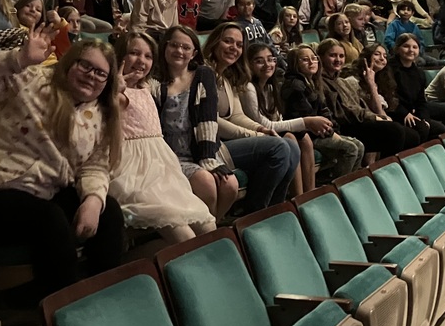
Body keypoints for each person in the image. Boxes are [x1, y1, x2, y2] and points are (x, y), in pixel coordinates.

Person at [0, 29, 124, 296]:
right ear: (70, 63)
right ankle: (68, 310)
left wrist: (93, 199)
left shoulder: (102, 114)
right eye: (85, 65)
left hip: (44, 195)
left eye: (100, 73)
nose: (91, 76)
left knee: (109, 211)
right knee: (50, 219)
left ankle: (106, 298)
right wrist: (17, 59)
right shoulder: (31, 78)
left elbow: (95, 166)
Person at [108, 33, 216, 243]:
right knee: (182, 234)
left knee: (208, 225)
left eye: (148, 56)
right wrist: (113, 89)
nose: (141, 60)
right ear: (119, 56)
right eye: (134, 53)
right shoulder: (110, 92)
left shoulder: (149, 88)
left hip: (162, 170)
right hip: (133, 174)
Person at [202, 23, 301, 212]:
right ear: (214, 43)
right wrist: (255, 136)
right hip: (214, 146)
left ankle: (275, 208)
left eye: (239, 45)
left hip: (227, 140)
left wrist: (260, 129)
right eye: (228, 41)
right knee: (278, 147)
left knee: (291, 147)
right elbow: (212, 121)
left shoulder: (226, 76)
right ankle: (257, 212)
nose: (234, 48)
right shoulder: (204, 73)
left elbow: (237, 115)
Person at [152, 26, 239, 219]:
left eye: (186, 47)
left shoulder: (203, 74)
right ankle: (209, 234)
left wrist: (207, 159)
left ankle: (211, 227)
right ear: (164, 47)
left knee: (231, 185)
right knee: (207, 184)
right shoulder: (155, 83)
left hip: (202, 151)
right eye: (174, 45)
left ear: (194, 53)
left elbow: (208, 118)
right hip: (172, 156)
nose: (179, 51)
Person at [245, 43, 327, 196]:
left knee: (305, 138)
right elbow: (263, 124)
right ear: (249, 64)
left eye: (270, 59)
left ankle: (309, 194)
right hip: (254, 135)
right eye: (259, 61)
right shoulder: (249, 88)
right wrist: (306, 121)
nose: (267, 65)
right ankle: (298, 196)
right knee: (291, 137)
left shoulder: (270, 87)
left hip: (271, 132)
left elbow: (278, 117)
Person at [316, 39, 410, 158]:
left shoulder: (340, 81)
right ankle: (384, 171)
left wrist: (378, 117)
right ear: (321, 57)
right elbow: (343, 112)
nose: (338, 60)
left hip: (357, 120)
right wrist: (374, 117)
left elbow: (359, 105)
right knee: (394, 132)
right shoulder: (323, 82)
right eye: (332, 56)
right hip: (343, 125)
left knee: (407, 134)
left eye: (341, 56)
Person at [281, 43, 363, 177]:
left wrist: (333, 130)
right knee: (351, 149)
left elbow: (324, 110)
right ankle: (335, 186)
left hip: (321, 132)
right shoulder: (295, 85)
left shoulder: (312, 81)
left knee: (359, 146)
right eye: (305, 59)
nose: (311, 62)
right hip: (306, 135)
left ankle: (348, 185)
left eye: (313, 58)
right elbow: (308, 120)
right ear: (295, 63)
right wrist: (330, 134)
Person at [356, 44, 433, 145]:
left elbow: (390, 103)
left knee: (423, 129)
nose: (382, 58)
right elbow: (377, 110)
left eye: (384, 56)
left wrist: (424, 119)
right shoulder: (355, 79)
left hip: (384, 115)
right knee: (406, 133)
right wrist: (371, 84)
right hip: (365, 120)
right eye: (377, 54)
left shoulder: (384, 77)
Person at [390, 33, 445, 133]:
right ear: (398, 49)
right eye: (406, 46)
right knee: (425, 129)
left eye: (415, 47)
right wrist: (404, 113)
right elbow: (389, 97)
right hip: (397, 112)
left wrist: (425, 119)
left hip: (413, 110)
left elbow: (421, 100)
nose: (411, 50)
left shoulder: (419, 72)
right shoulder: (390, 70)